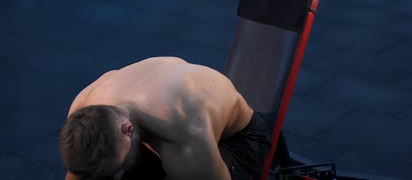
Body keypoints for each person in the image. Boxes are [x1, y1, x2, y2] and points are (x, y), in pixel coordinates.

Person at [59, 56, 272, 180]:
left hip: (235, 140)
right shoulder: (83, 106)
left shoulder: (182, 133)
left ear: (127, 129)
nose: (115, 177)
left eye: (117, 168)